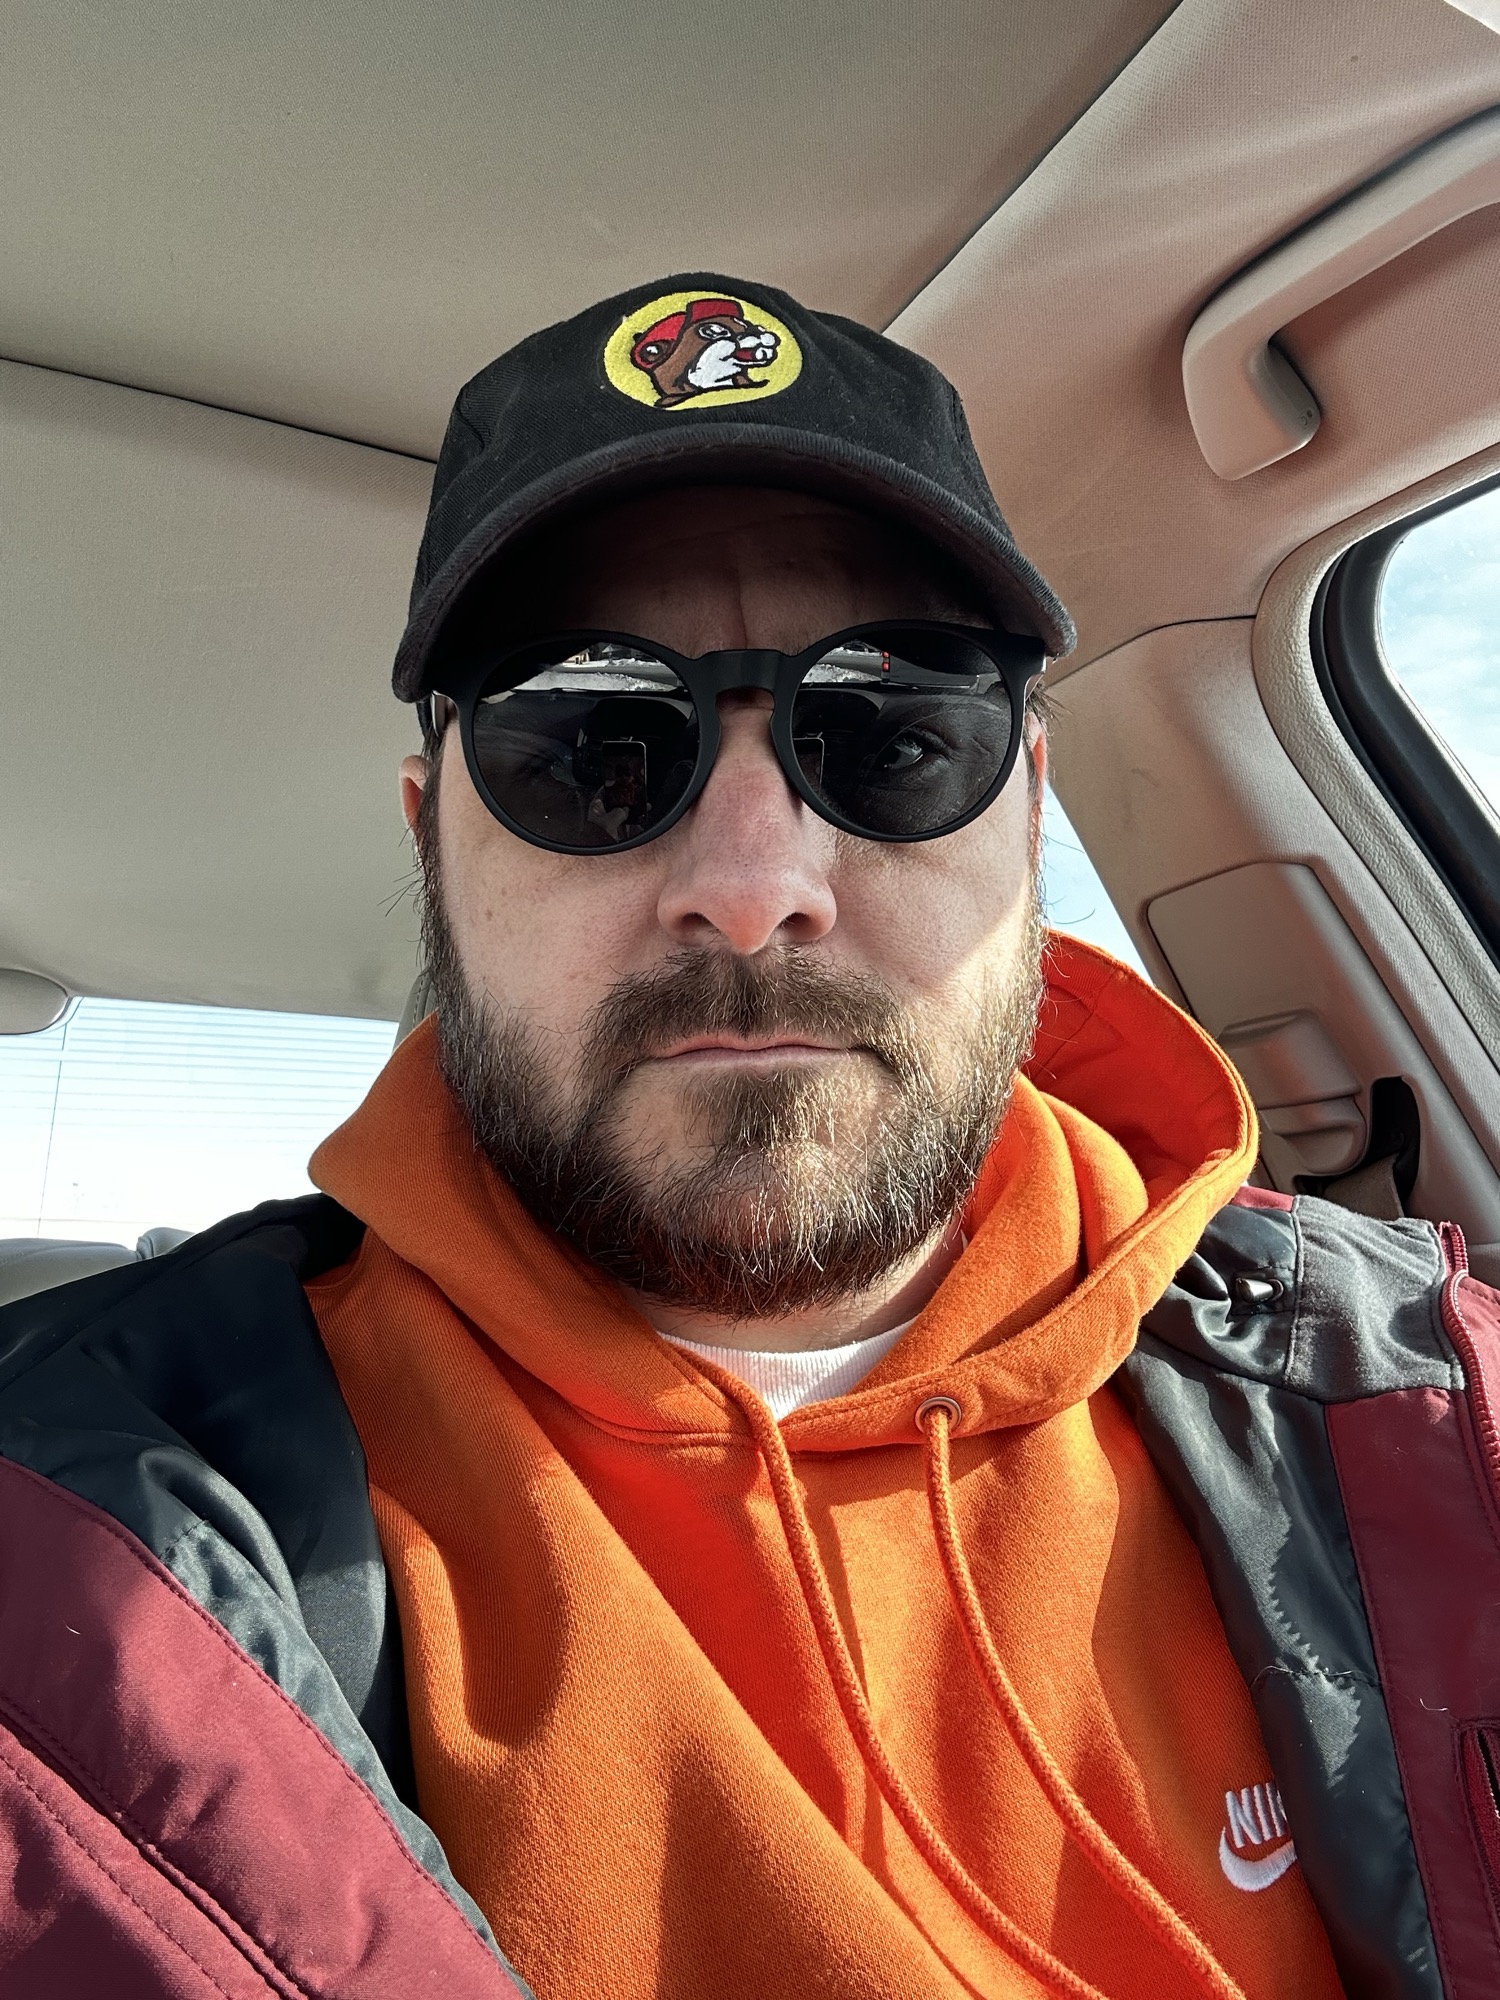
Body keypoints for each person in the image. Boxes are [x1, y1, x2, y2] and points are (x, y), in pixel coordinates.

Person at [1, 274, 1497, 2000]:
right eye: (589, 746)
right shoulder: (75, 1540)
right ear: (431, 844)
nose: (752, 884)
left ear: (1026, 815)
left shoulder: (1433, 1398)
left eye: (894, 737)